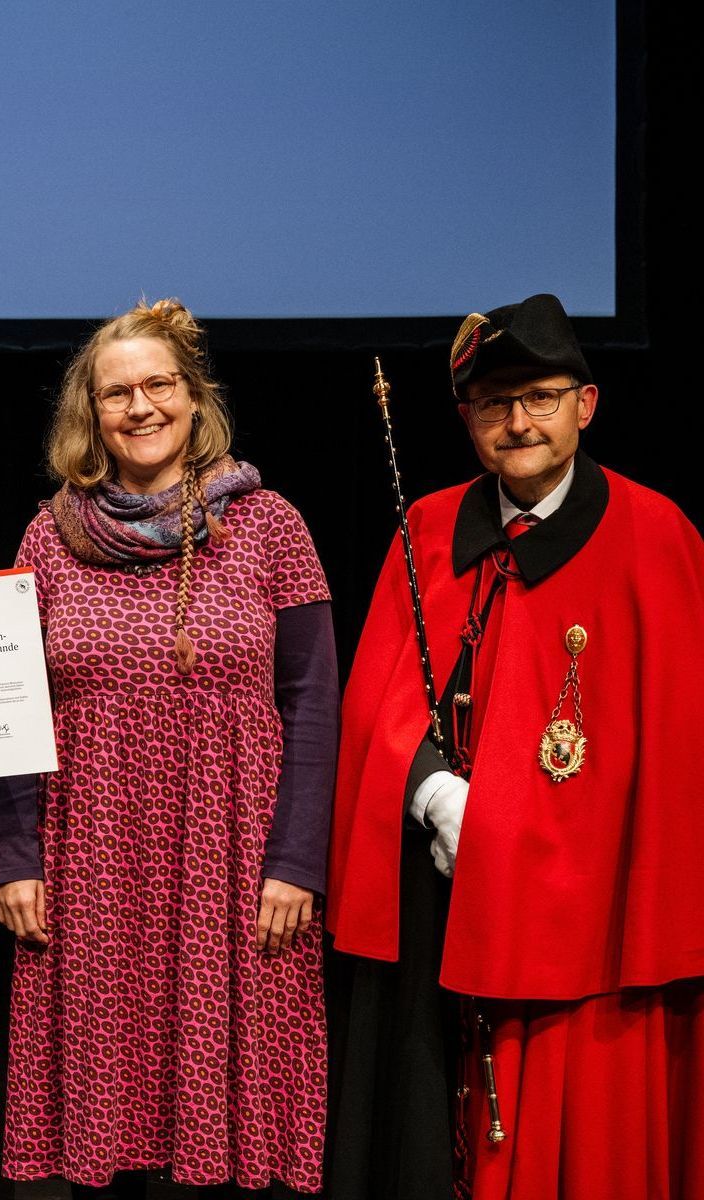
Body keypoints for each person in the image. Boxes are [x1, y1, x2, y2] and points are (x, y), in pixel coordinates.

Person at [328, 293, 704, 1200]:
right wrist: (432, 794)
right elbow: (377, 703)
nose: (518, 422)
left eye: (540, 396)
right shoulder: (427, 528)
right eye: (494, 404)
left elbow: (674, 759)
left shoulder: (656, 537)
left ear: (587, 404)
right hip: (441, 893)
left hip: (592, 909)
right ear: (467, 421)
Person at [0, 300, 337, 1198]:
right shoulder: (50, 535)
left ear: (194, 398)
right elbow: (9, 707)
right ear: (90, 413)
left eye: (159, 385)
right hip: (91, 860)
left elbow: (313, 706)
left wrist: (296, 862)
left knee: (225, 1137)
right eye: (117, 393)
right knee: (106, 1130)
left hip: (234, 856)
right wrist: (14, 854)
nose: (139, 407)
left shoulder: (270, 525)